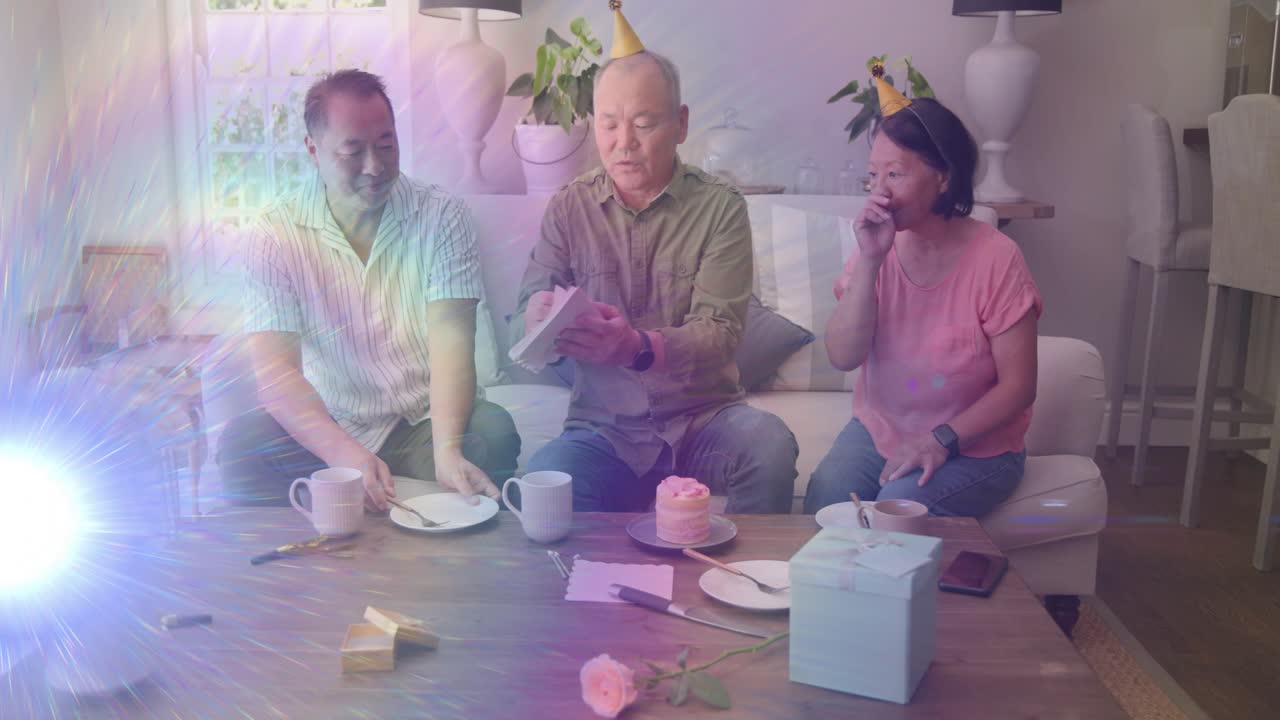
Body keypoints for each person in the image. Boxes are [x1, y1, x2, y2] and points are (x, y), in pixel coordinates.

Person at [510, 5, 797, 514]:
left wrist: (638, 347)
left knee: (768, 444)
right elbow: (528, 309)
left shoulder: (720, 207)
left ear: (681, 124)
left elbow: (721, 332)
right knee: (546, 479)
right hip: (604, 431)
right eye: (609, 124)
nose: (624, 144)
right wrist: (537, 314)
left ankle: (747, 583)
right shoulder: (570, 207)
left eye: (644, 124)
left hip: (703, 421)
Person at [218, 69, 519, 510]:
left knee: (493, 434)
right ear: (313, 150)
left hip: (423, 418)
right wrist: (344, 453)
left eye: (386, 145)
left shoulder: (441, 216)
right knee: (241, 448)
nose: (375, 167)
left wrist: (447, 449)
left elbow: (452, 344)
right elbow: (277, 376)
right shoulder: (274, 234)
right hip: (335, 420)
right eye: (353, 151)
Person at [803, 67, 1041, 517]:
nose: (880, 193)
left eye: (895, 174)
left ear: (944, 178)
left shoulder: (998, 259)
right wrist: (871, 261)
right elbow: (842, 356)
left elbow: (1019, 387)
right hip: (880, 431)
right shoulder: (876, 248)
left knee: (901, 510)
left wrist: (940, 440)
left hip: (974, 445)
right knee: (827, 500)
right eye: (873, 176)